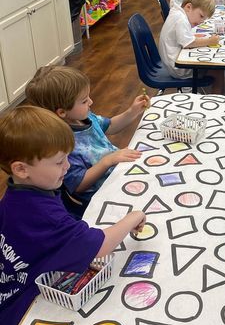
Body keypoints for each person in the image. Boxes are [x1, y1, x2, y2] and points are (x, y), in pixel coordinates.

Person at [0, 106, 145, 325]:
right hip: (17, 319)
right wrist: (133, 217)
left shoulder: (15, 194)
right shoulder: (44, 215)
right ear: (21, 169)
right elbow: (101, 246)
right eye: (59, 162)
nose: (67, 167)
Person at [25, 66, 149, 215]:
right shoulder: (61, 144)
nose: (91, 101)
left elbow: (111, 126)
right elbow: (79, 186)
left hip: (119, 174)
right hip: (103, 196)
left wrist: (132, 111)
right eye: (84, 101)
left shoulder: (85, 118)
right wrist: (107, 161)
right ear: (62, 112)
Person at [159, 0, 224, 93]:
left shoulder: (177, 12)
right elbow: (188, 43)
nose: (200, 21)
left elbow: (187, 39)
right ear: (188, 7)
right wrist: (209, 41)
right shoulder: (181, 19)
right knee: (217, 70)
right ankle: (217, 102)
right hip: (179, 69)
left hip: (172, 63)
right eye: (201, 16)